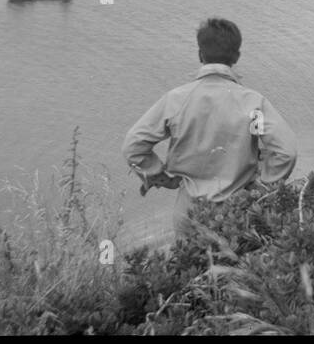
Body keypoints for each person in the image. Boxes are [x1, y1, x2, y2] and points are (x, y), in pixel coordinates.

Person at [122, 17, 298, 235]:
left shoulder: (177, 100)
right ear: (236, 56)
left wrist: (160, 177)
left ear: (200, 54)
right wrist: (264, 186)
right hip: (238, 210)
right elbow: (286, 151)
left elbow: (133, 145)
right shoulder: (253, 104)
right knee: (237, 267)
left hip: (189, 212)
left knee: (188, 267)